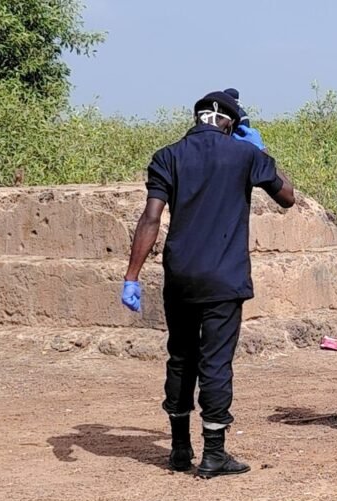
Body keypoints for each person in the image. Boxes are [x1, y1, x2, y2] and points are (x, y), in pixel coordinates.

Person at [120, 90, 296, 478]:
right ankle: (214, 453)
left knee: (181, 357)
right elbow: (287, 197)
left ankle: (180, 450)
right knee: (215, 361)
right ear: (230, 122)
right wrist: (262, 153)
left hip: (180, 275)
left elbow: (150, 219)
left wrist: (132, 275)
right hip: (224, 277)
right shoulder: (244, 155)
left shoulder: (167, 156)